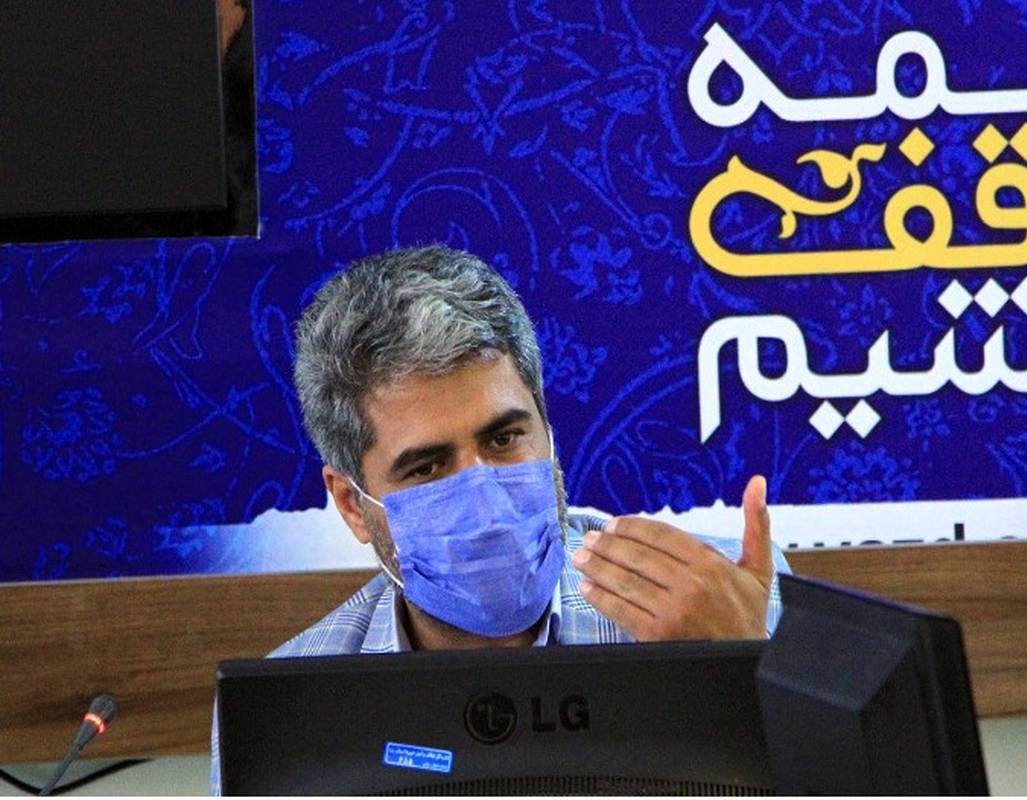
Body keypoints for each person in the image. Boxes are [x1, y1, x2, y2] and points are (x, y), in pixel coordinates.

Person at [210, 245, 791, 792]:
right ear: (351, 504)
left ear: (547, 429)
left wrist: (740, 678)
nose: (486, 500)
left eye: (504, 438)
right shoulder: (291, 711)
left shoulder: (726, 600)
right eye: (427, 467)